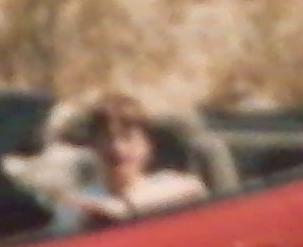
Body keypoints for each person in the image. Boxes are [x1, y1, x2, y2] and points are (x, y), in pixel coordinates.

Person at [58, 92, 209, 228]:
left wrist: (125, 207)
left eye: (127, 138)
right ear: (93, 146)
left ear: (147, 145)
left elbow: (194, 189)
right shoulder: (83, 203)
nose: (116, 148)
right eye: (106, 139)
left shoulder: (166, 186)